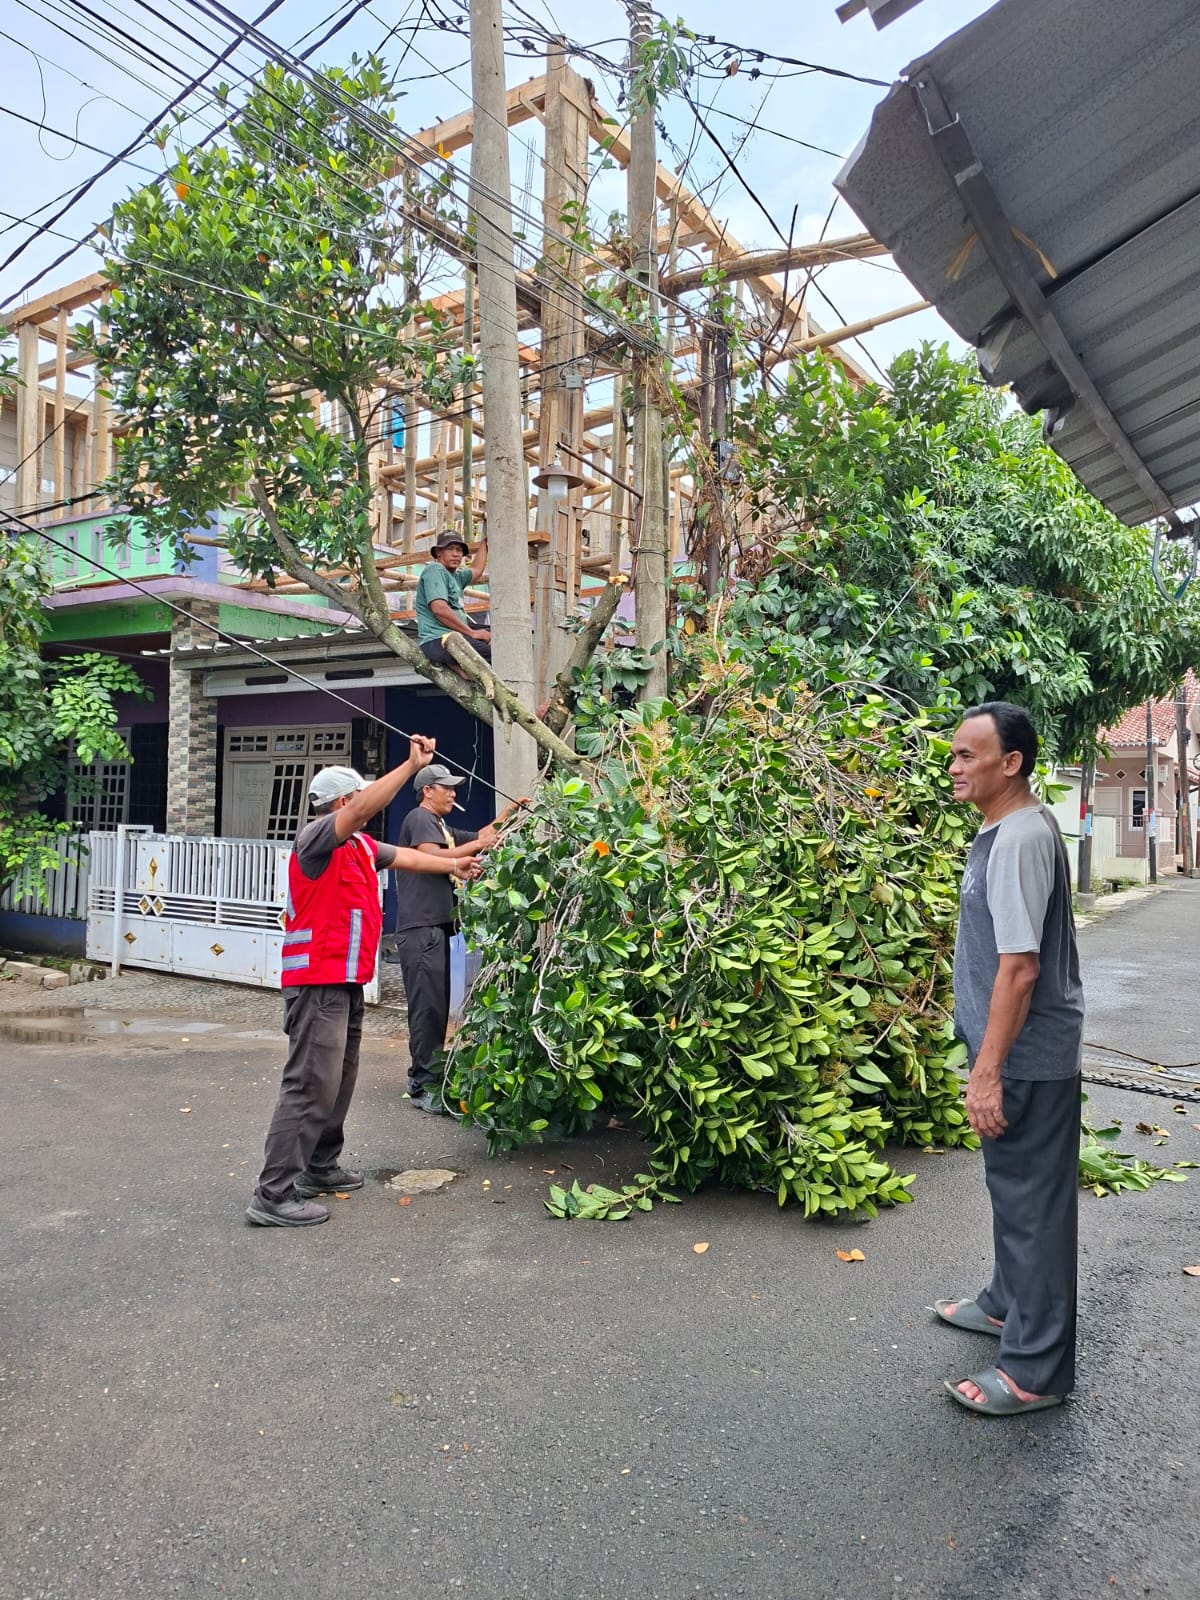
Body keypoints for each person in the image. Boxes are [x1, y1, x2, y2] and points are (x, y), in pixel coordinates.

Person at [246, 739, 480, 1228]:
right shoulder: (317, 838)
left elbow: (415, 860)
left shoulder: (361, 848)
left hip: (346, 982)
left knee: (339, 1079)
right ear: (342, 803)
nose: (367, 807)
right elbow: (366, 807)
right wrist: (411, 766)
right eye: (360, 799)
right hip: (316, 983)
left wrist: (455, 863)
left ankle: (319, 1167)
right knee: (310, 1082)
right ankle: (273, 1192)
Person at [935, 701, 1084, 1415]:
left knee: (1035, 1206)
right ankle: (1005, 1303)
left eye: (969, 755)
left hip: (1027, 1055)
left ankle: (1036, 1370)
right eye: (955, 754)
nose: (955, 766)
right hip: (1010, 1049)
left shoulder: (1021, 837)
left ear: (1011, 763)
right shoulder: (1003, 829)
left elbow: (1019, 968)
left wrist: (987, 1070)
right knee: (1013, 1191)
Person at [393, 764, 525, 1111]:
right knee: (427, 1010)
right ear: (427, 791)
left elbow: (480, 835)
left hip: (436, 929)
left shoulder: (440, 827)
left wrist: (511, 812)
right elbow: (428, 857)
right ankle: (422, 1085)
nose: (453, 793)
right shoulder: (419, 819)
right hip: (420, 929)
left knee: (437, 1010)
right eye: (446, 787)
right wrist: (477, 846)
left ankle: (429, 1076)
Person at [416, 529, 491, 669]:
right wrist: (472, 633)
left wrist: (484, 544)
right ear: (438, 553)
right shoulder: (435, 569)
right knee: (496, 655)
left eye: (459, 550)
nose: (456, 554)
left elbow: (477, 570)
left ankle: (464, 672)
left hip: (453, 640)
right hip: (439, 640)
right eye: (450, 549)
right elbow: (439, 609)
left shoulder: (456, 577)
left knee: (491, 640)